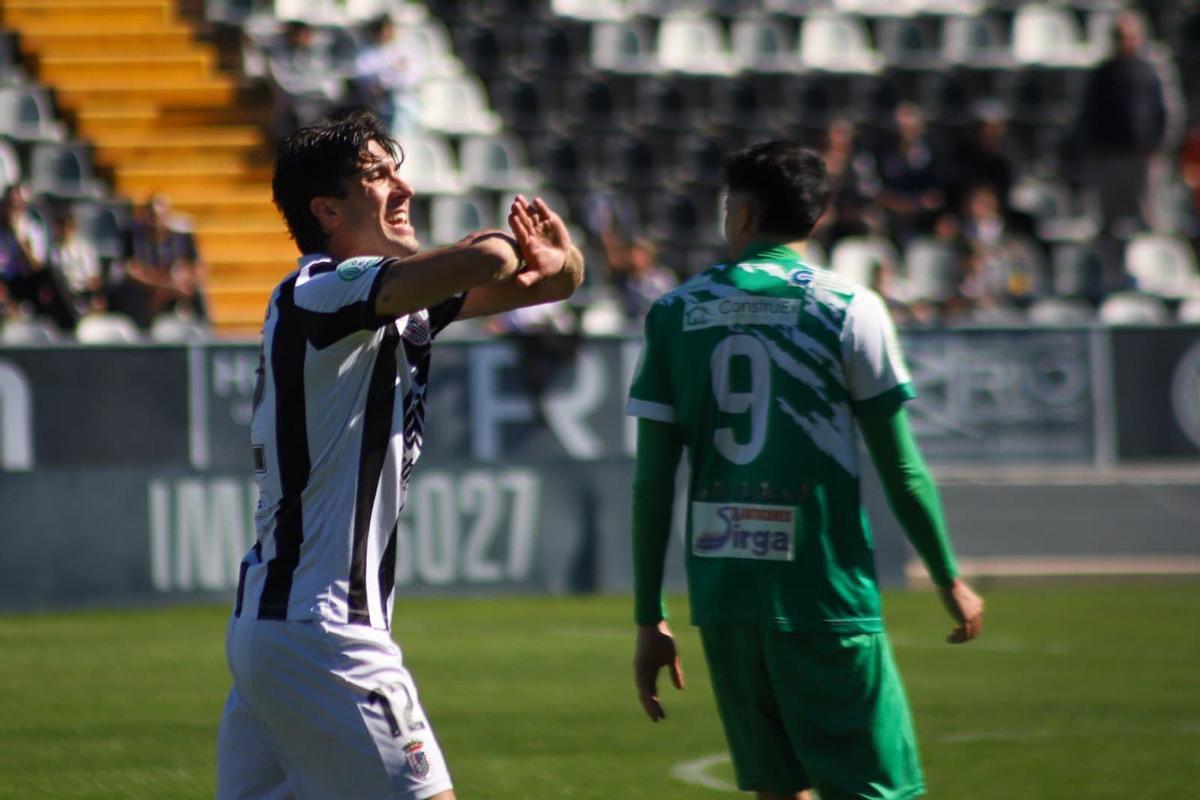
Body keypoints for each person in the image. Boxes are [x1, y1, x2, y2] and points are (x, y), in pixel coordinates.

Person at [215, 110, 583, 800]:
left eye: (397, 168)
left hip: (277, 629)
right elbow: (493, 263)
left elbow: (556, 285)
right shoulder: (321, 289)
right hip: (328, 633)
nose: (404, 187)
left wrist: (562, 263)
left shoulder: (384, 301)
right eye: (378, 175)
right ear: (327, 210)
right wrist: (501, 249)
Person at [626, 141, 983, 800]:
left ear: (742, 214)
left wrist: (650, 616)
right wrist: (949, 578)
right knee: (880, 790)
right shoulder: (848, 307)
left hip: (725, 596)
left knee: (777, 790)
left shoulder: (674, 313)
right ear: (815, 221)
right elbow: (900, 467)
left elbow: (652, 480)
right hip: (822, 594)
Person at [1072, 10, 1167, 237]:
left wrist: (1157, 145)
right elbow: (1089, 112)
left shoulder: (1149, 72)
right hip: (1108, 155)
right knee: (1108, 221)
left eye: (1130, 36)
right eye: (1120, 36)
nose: (1125, 41)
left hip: (1140, 155)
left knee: (1145, 217)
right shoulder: (1102, 74)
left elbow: (1161, 111)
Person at [353, 14, 423, 136]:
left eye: (389, 29)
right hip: (378, 109)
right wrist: (391, 73)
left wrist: (386, 78)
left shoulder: (404, 50)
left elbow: (411, 79)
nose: (386, 33)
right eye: (382, 29)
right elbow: (369, 84)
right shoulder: (367, 55)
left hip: (405, 105)